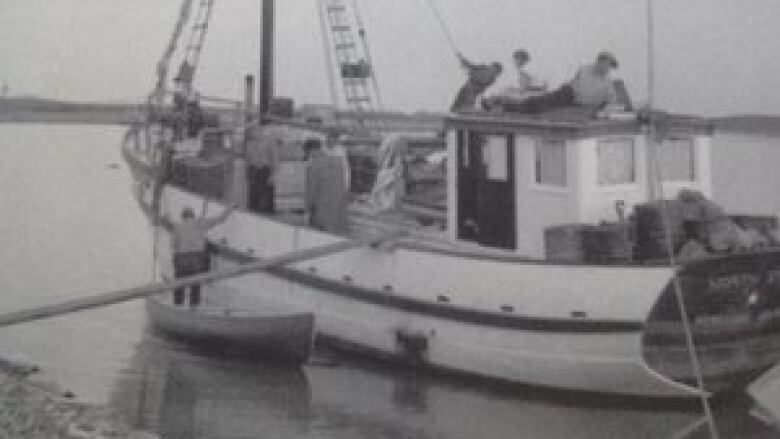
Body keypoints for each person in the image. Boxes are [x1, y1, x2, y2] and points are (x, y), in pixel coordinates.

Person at [499, 51, 621, 114]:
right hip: (569, 93)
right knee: (543, 101)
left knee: (545, 103)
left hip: (580, 104)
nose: (608, 69)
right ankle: (513, 105)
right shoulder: (584, 69)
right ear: (600, 61)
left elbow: (612, 102)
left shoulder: (607, 83)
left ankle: (515, 106)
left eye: (610, 67)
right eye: (608, 65)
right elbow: (570, 80)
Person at [171, 203, 235, 307]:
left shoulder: (178, 226)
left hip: (182, 259)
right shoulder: (200, 223)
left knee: (179, 284)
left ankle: (177, 306)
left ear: (183, 216)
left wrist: (176, 260)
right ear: (193, 215)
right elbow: (220, 219)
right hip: (197, 259)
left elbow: (174, 246)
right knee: (195, 285)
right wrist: (230, 208)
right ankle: (193, 308)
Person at [304, 138, 349, 234]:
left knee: (322, 236)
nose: (309, 156)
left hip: (322, 207)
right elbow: (343, 182)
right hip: (339, 205)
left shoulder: (313, 166)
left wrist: (307, 209)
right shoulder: (338, 161)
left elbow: (311, 191)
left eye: (309, 154)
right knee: (338, 234)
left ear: (311, 151)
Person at [246, 126, 280, 214]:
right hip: (253, 171)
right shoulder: (249, 142)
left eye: (252, 131)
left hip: (265, 172)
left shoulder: (270, 141)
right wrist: (247, 174)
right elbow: (248, 159)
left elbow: (275, 159)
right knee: (253, 200)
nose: (251, 134)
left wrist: (273, 176)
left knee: (266, 201)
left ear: (259, 131)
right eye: (249, 133)